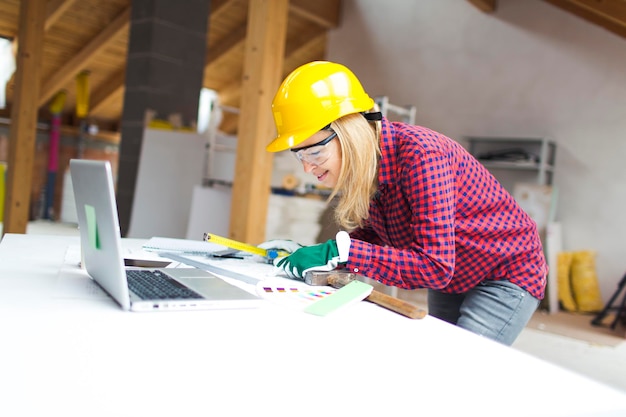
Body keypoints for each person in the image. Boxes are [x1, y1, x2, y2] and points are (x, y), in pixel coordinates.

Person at [264, 61, 547, 346]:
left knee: (463, 363)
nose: (308, 168)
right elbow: (378, 233)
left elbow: (434, 266)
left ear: (349, 131)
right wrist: (320, 253)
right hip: (453, 272)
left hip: (503, 271)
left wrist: (342, 251)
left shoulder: (422, 156)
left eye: (314, 152)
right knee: (439, 353)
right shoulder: (368, 167)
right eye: (299, 155)